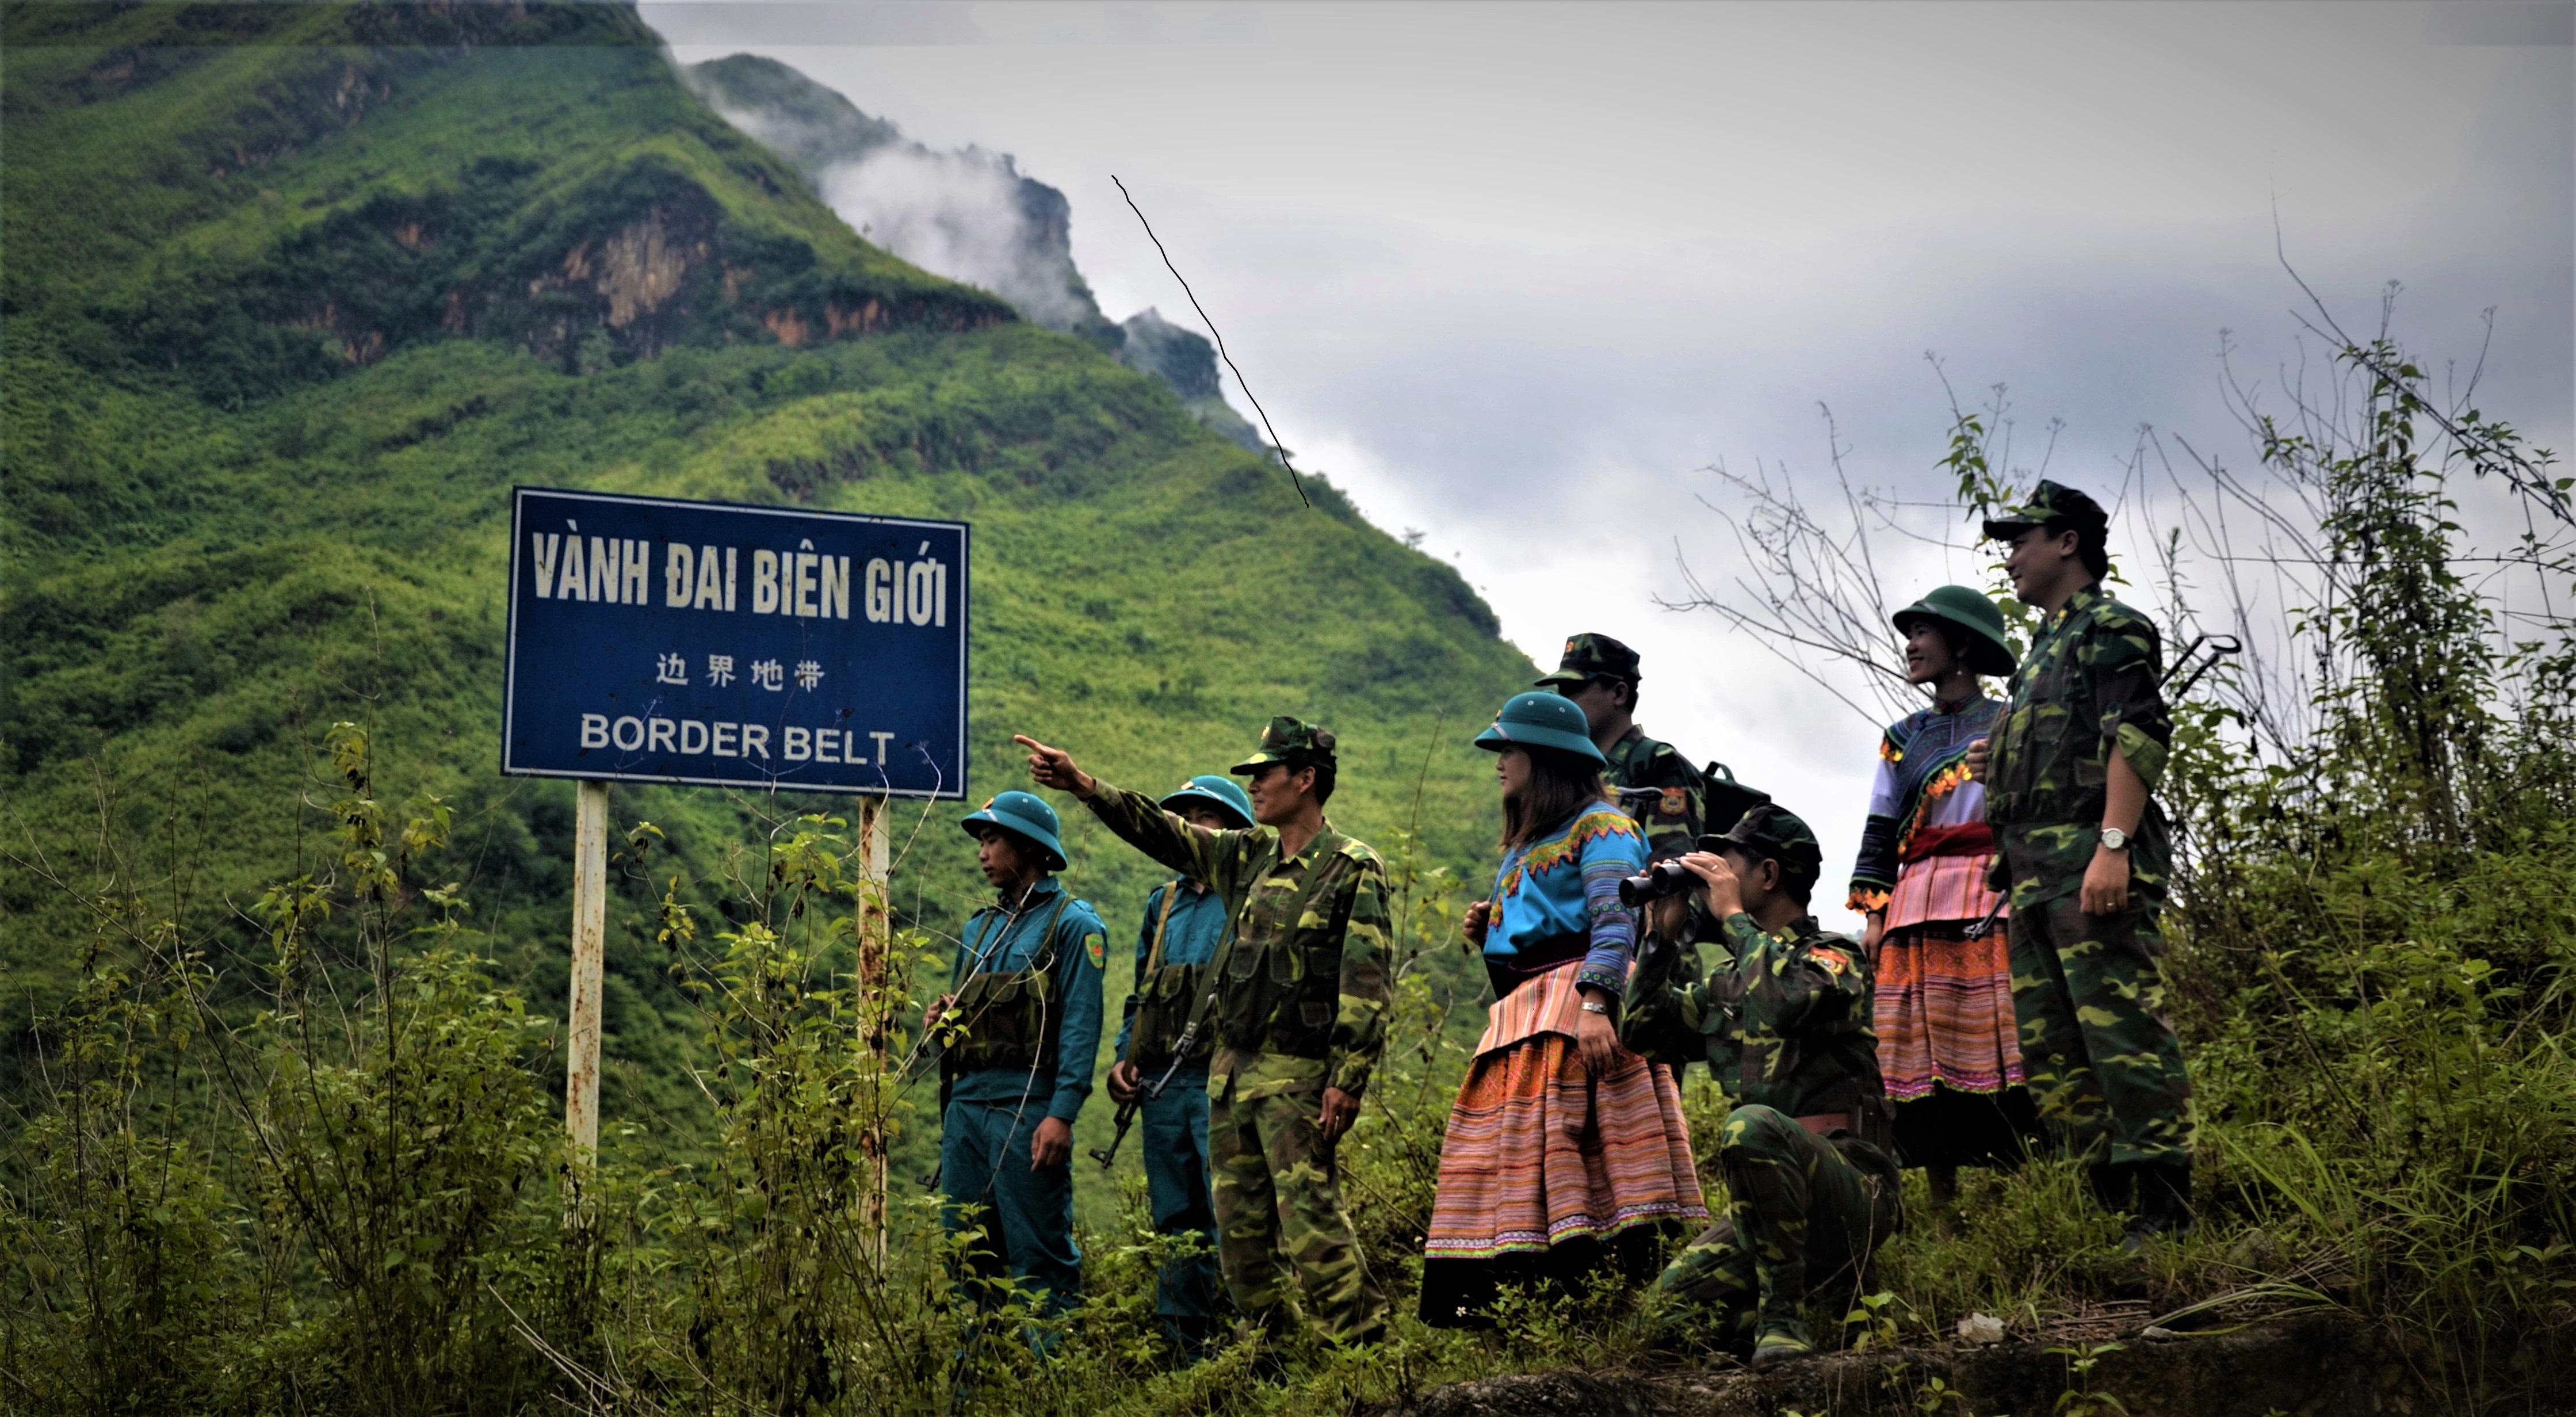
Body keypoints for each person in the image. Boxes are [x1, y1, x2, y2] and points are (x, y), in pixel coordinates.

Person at [1015, 718, 1392, 1347]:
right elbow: (1159, 831)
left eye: (1264, 774)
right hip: (1230, 1078)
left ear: (1305, 779)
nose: (1255, 785)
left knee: (1312, 1229)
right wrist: (1081, 784)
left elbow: (1365, 984)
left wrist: (1347, 1081)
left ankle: (1371, 1361)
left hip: (1296, 1080)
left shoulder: (1351, 869)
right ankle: (1282, 1366)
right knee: (1242, 1250)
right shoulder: (1245, 858)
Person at [1419, 693, 1707, 1327]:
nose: (1499, 762)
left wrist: (1598, 1004)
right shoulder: (1523, 847)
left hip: (1575, 1013)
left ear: (1543, 758)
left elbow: (1615, 921)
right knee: (1526, 1175)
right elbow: (1520, 960)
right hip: (1525, 1021)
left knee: (1593, 1170)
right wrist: (1488, 934)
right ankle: (1542, 1318)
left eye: (1509, 749)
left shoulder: (1601, 827)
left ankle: (1618, 1319)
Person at [1965, 481, 2195, 1247]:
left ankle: (2163, 1204)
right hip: (2032, 872)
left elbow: (2134, 736)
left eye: (2021, 540)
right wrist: (1995, 755)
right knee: (2056, 1049)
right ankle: (2108, 1204)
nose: (2010, 557)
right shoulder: (2041, 651)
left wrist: (2113, 847)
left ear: (2067, 542)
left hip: (2086, 863)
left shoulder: (2111, 627)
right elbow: (2062, 746)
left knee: (2118, 1028)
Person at [1623, 805, 1900, 1371]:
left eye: (1727, 864)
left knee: (1749, 1126)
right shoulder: (1727, 982)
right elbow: (1644, 1032)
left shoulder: (1833, 958)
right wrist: (1660, 939)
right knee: (1658, 1322)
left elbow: (1783, 999)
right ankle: (1820, 1293)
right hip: (1768, 1208)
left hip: (1852, 1189)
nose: (1713, 877)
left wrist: (1729, 916)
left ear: (1768, 875)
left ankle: (1783, 1320)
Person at [1847, 586, 2038, 1206]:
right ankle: (1942, 1204)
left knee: (1997, 1039)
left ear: (1960, 645)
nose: (1910, 646)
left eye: (1922, 634)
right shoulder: (1901, 737)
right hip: (1915, 901)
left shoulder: (2009, 723)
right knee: (1916, 1054)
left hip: (1990, 890)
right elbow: (1881, 825)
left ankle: (2015, 1192)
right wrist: (1874, 913)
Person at [927, 790, 1109, 1340]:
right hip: (967, 1111)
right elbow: (956, 1032)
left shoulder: (1073, 925)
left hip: (1027, 1111)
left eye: (993, 839)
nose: (982, 852)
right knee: (966, 1254)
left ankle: (1049, 1385)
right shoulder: (977, 930)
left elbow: (1081, 1025)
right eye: (982, 841)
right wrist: (940, 1023)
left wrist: (1063, 1114)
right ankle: (975, 1389)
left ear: (1028, 847)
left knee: (1040, 1259)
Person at [1105, 773, 1256, 1361]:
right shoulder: (1161, 903)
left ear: (1235, 832)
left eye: (1206, 816)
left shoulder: (1247, 897)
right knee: (1174, 1219)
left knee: (1231, 1216)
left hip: (1222, 1082)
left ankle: (1244, 1349)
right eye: (1183, 815)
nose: (1191, 826)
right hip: (1163, 1086)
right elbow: (1142, 992)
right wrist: (1126, 1055)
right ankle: (1183, 1351)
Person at [1535, 633, 1709, 858]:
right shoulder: (1571, 770)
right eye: (1562, 691)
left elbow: (1671, 875)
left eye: (1575, 689)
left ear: (1619, 693)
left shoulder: (1659, 765)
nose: (1564, 701)